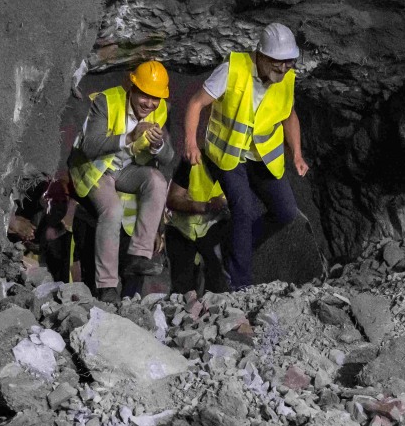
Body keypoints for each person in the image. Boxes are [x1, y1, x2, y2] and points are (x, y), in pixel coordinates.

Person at [181, 23, 308, 289]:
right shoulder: (231, 70)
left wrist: (296, 153)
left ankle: (231, 245)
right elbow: (196, 103)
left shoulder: (287, 78)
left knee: (285, 211)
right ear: (260, 55)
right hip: (229, 154)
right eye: (278, 62)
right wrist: (191, 142)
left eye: (288, 62)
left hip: (263, 156)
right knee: (243, 210)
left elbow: (289, 115)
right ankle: (240, 282)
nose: (284, 68)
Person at [68, 61, 174, 302]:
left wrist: (158, 145)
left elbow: (168, 158)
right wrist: (129, 136)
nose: (150, 103)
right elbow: (90, 146)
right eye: (145, 95)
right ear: (132, 88)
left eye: (155, 98)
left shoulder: (160, 110)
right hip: (95, 169)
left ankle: (140, 256)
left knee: (156, 181)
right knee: (112, 209)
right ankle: (107, 286)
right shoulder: (106, 101)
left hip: (124, 170)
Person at [164, 161, 230, 295]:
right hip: (182, 229)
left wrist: (224, 202)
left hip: (213, 226)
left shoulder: (232, 166)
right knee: (182, 290)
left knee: (217, 287)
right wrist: (203, 206)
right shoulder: (191, 161)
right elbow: (172, 199)